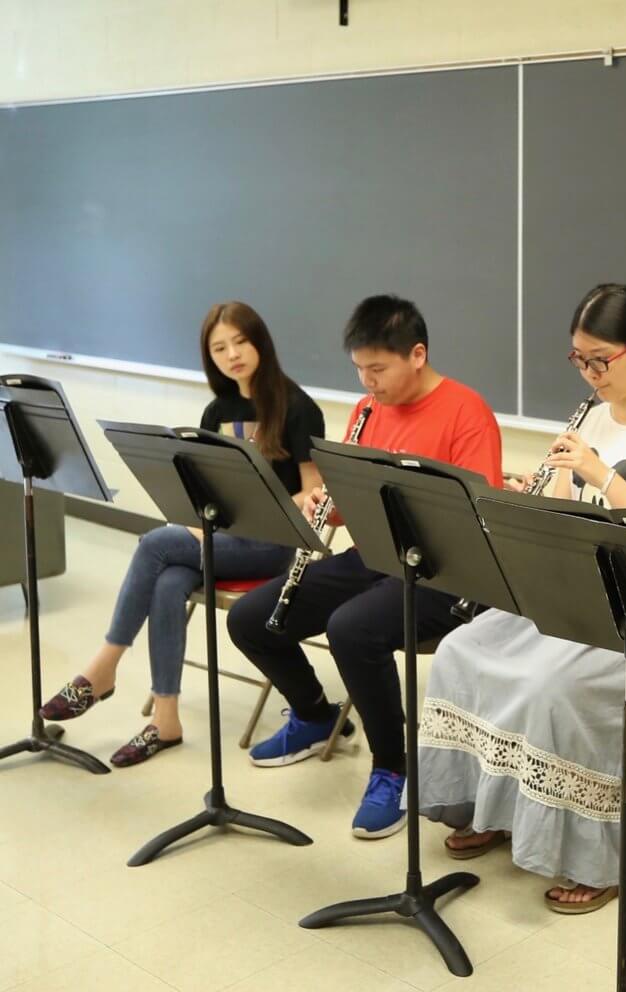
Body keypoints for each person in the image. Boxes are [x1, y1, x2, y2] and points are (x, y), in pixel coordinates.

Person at [416, 283, 626, 914]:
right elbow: (565, 521)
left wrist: (601, 475)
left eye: (600, 360)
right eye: (579, 359)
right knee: (462, 651)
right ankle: (491, 807)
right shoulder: (591, 415)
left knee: (552, 687)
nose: (589, 374)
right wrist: (534, 499)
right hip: (577, 597)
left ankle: (598, 857)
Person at [225, 294, 503, 839]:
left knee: (351, 628)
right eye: (359, 369)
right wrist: (324, 502)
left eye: (377, 369)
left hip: (446, 574)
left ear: (417, 355)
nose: (367, 383)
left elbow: (480, 519)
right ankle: (314, 716)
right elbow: (351, 502)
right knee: (251, 619)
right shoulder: (367, 411)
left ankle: (394, 768)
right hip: (375, 556)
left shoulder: (466, 411)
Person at [40, 302, 324, 767]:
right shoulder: (217, 411)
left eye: (240, 342)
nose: (232, 355)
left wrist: (264, 509)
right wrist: (197, 521)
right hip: (224, 538)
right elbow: (206, 488)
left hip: (274, 545)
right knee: (169, 580)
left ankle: (104, 666)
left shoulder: (298, 408)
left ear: (260, 342)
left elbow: (313, 492)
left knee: (155, 544)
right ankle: (166, 719)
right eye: (219, 348)